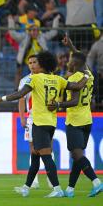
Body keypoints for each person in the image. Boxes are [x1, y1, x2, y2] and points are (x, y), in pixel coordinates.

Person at [0, 51, 90, 198]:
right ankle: (26, 187)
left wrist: (1, 98)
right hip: (51, 122)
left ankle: (56, 188)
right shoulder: (58, 79)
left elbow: (20, 94)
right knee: (35, 154)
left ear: (41, 64)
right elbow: (77, 86)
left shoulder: (35, 79)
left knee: (46, 156)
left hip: (38, 123)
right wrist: (87, 75)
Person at [47, 51, 102, 197]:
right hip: (87, 119)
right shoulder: (89, 75)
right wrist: (70, 45)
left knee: (77, 155)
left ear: (75, 63)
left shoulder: (74, 78)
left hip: (75, 121)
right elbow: (81, 58)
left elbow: (74, 101)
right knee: (77, 156)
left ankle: (96, 182)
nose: (68, 62)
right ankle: (70, 189)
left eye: (70, 60)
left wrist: (58, 105)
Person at [16, 54, 53, 190]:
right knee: (33, 149)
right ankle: (34, 181)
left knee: (48, 148)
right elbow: (21, 99)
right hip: (31, 119)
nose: (32, 65)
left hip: (45, 118)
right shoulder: (25, 80)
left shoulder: (47, 78)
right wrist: (22, 117)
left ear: (39, 63)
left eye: (34, 62)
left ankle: (51, 180)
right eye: (29, 62)